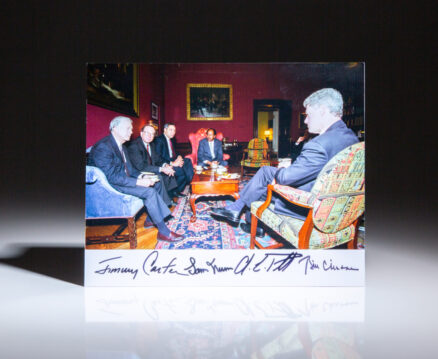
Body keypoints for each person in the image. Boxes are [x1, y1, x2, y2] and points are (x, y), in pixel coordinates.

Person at [211, 88, 359, 237]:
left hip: (308, 206)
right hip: (336, 206)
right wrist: (294, 167)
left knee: (265, 175)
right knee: (261, 183)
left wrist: (284, 170)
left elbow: (286, 178)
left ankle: (239, 211)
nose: (306, 120)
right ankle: (251, 221)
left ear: (322, 110)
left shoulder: (319, 144)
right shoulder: (351, 137)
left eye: (308, 115)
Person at [88, 116, 183, 242]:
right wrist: (139, 182)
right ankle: (164, 232)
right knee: (149, 192)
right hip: (110, 187)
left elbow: (131, 170)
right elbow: (111, 177)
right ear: (115, 129)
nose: (131, 132)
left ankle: (150, 220)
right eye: (128, 129)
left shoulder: (121, 145)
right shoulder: (103, 147)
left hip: (122, 180)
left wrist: (145, 176)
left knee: (157, 182)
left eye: (131, 129)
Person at [127, 124, 179, 201]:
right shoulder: (134, 146)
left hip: (150, 169)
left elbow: (158, 159)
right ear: (141, 133)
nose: (150, 136)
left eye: (152, 134)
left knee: (169, 171)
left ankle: (168, 197)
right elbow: (141, 166)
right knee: (160, 176)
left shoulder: (151, 144)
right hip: (139, 172)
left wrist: (166, 165)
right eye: (147, 133)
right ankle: (165, 203)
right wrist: (161, 169)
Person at [155, 123, 194, 196]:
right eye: (171, 130)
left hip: (173, 160)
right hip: (165, 163)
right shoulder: (159, 140)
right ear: (165, 130)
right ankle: (175, 191)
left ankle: (191, 182)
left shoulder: (171, 140)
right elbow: (158, 158)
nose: (173, 132)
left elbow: (174, 152)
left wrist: (179, 157)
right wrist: (172, 163)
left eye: (174, 130)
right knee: (181, 171)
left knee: (187, 160)